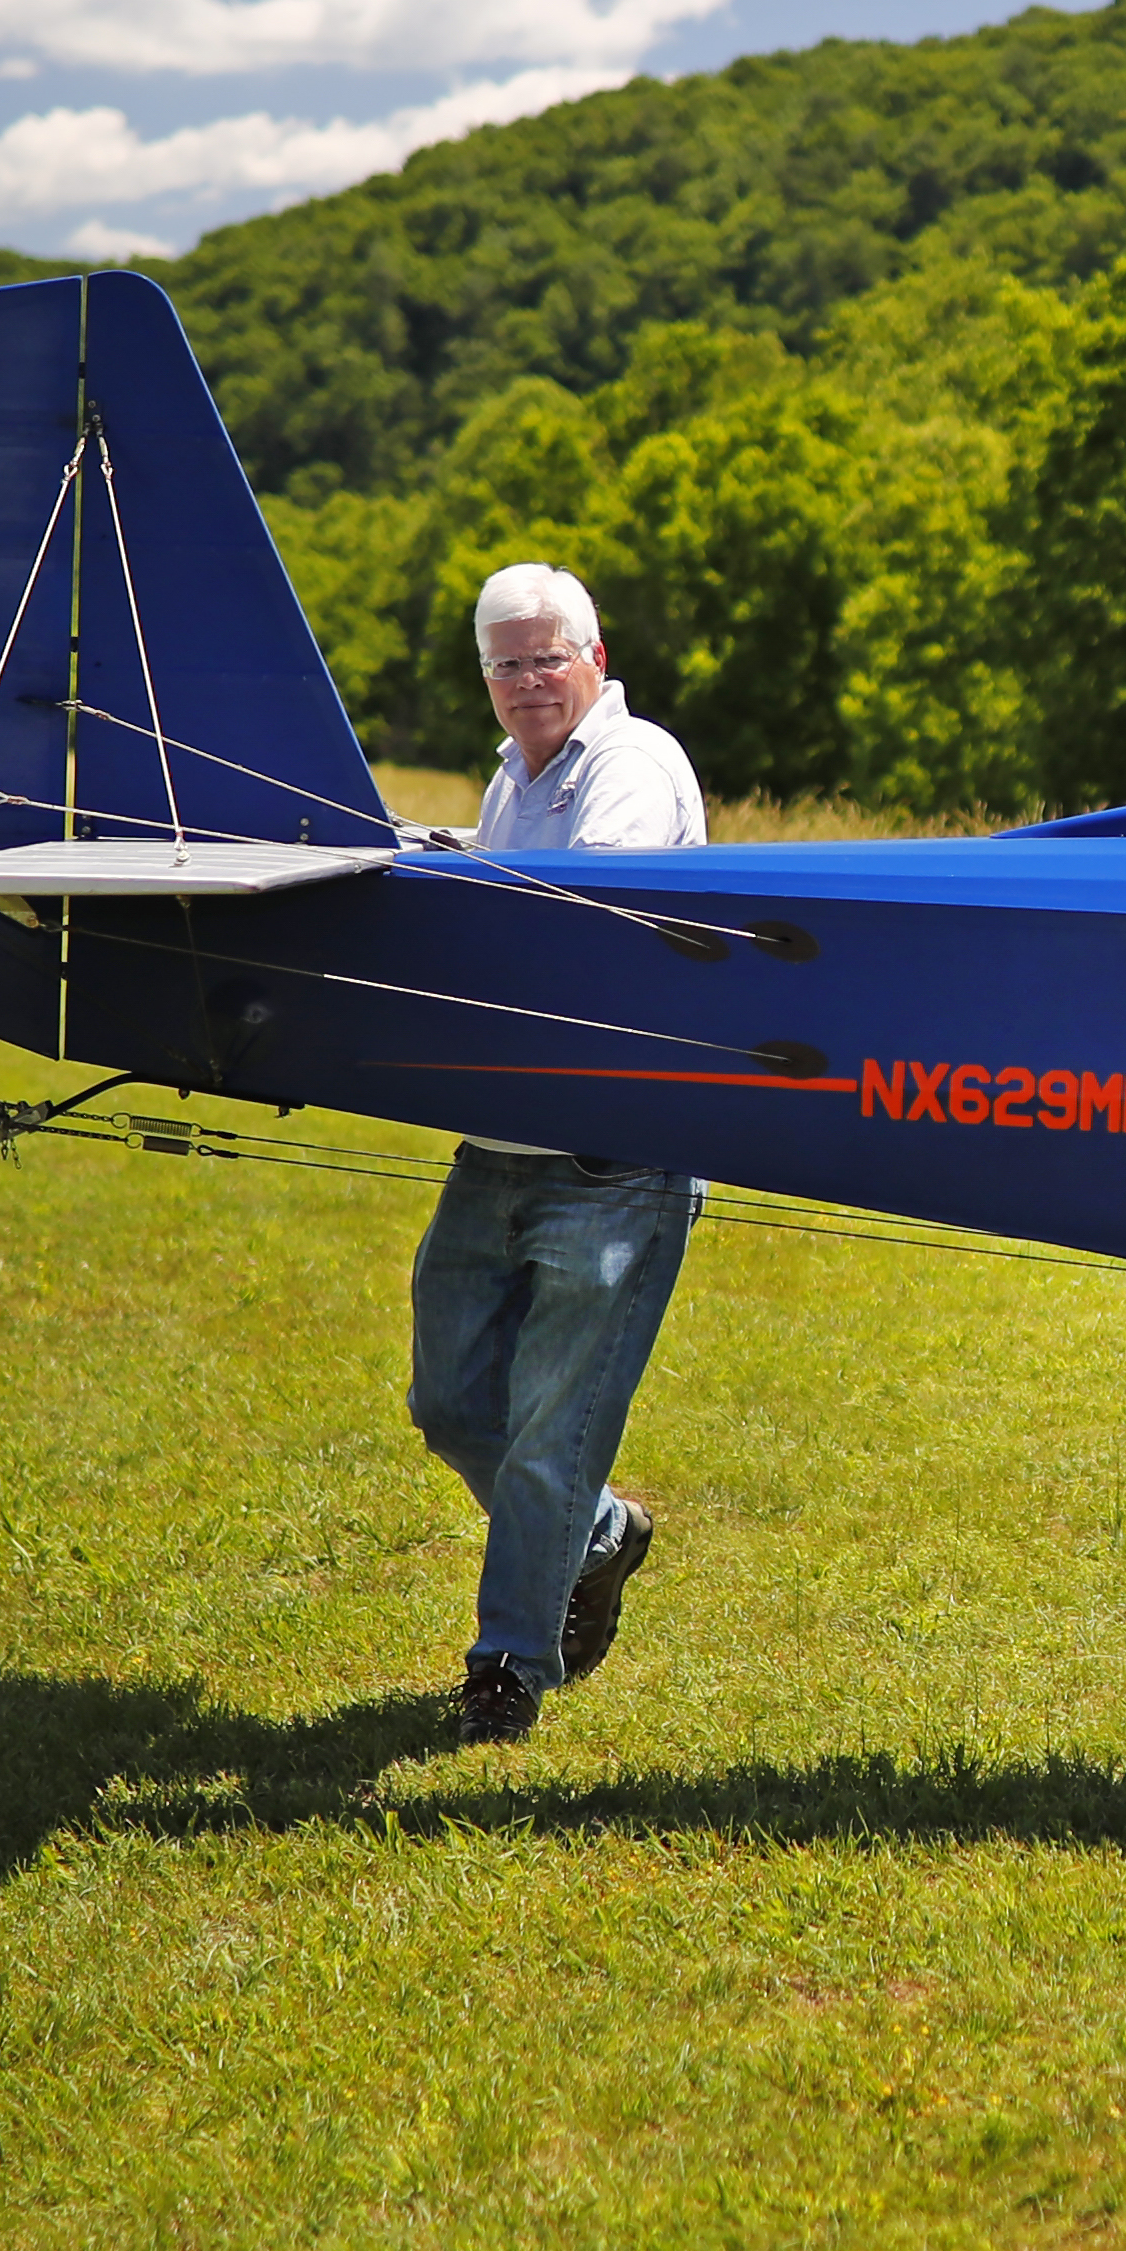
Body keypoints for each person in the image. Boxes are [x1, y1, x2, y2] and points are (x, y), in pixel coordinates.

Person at [403, 561, 706, 1744]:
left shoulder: (632, 768)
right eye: (505, 664)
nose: (527, 681)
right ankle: (596, 1538)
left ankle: (508, 1670)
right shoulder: (509, 780)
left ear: (594, 656)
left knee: (546, 1434)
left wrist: (439, 890)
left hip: (609, 1157)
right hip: (496, 1144)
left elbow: (574, 909)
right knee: (446, 1401)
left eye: (546, 657)